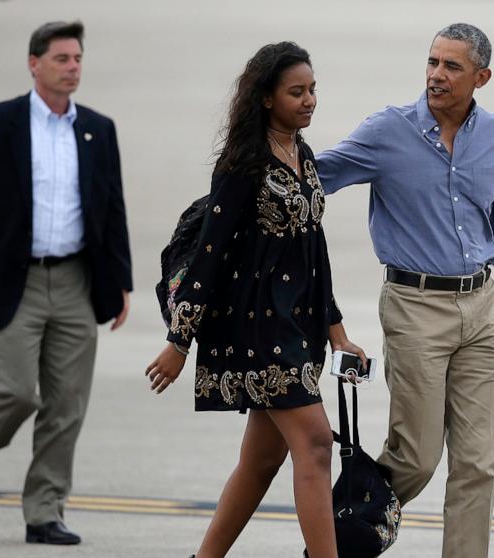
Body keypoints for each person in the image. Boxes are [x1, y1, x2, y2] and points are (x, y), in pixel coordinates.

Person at [315, 23, 494, 558]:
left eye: (452, 66)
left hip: (484, 308)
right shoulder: (387, 131)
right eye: (433, 62)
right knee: (415, 457)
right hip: (414, 306)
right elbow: (312, 178)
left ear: (481, 77)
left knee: (479, 466)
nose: (437, 75)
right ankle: (340, 537)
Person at [144, 42, 367, 558]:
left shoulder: (303, 155)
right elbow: (208, 255)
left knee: (262, 461)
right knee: (314, 443)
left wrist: (336, 332)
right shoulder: (242, 164)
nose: (310, 100)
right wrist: (179, 342)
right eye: (296, 92)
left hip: (299, 326)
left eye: (312, 89)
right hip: (256, 328)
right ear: (266, 98)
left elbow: (315, 248)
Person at [0, 21, 132, 546]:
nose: (73, 67)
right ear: (34, 63)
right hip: (16, 281)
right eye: (61, 58)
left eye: (77, 58)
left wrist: (119, 281)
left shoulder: (98, 128)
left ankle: (44, 510)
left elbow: (112, 207)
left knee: (66, 404)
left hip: (77, 280)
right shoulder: (1, 123)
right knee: (13, 393)